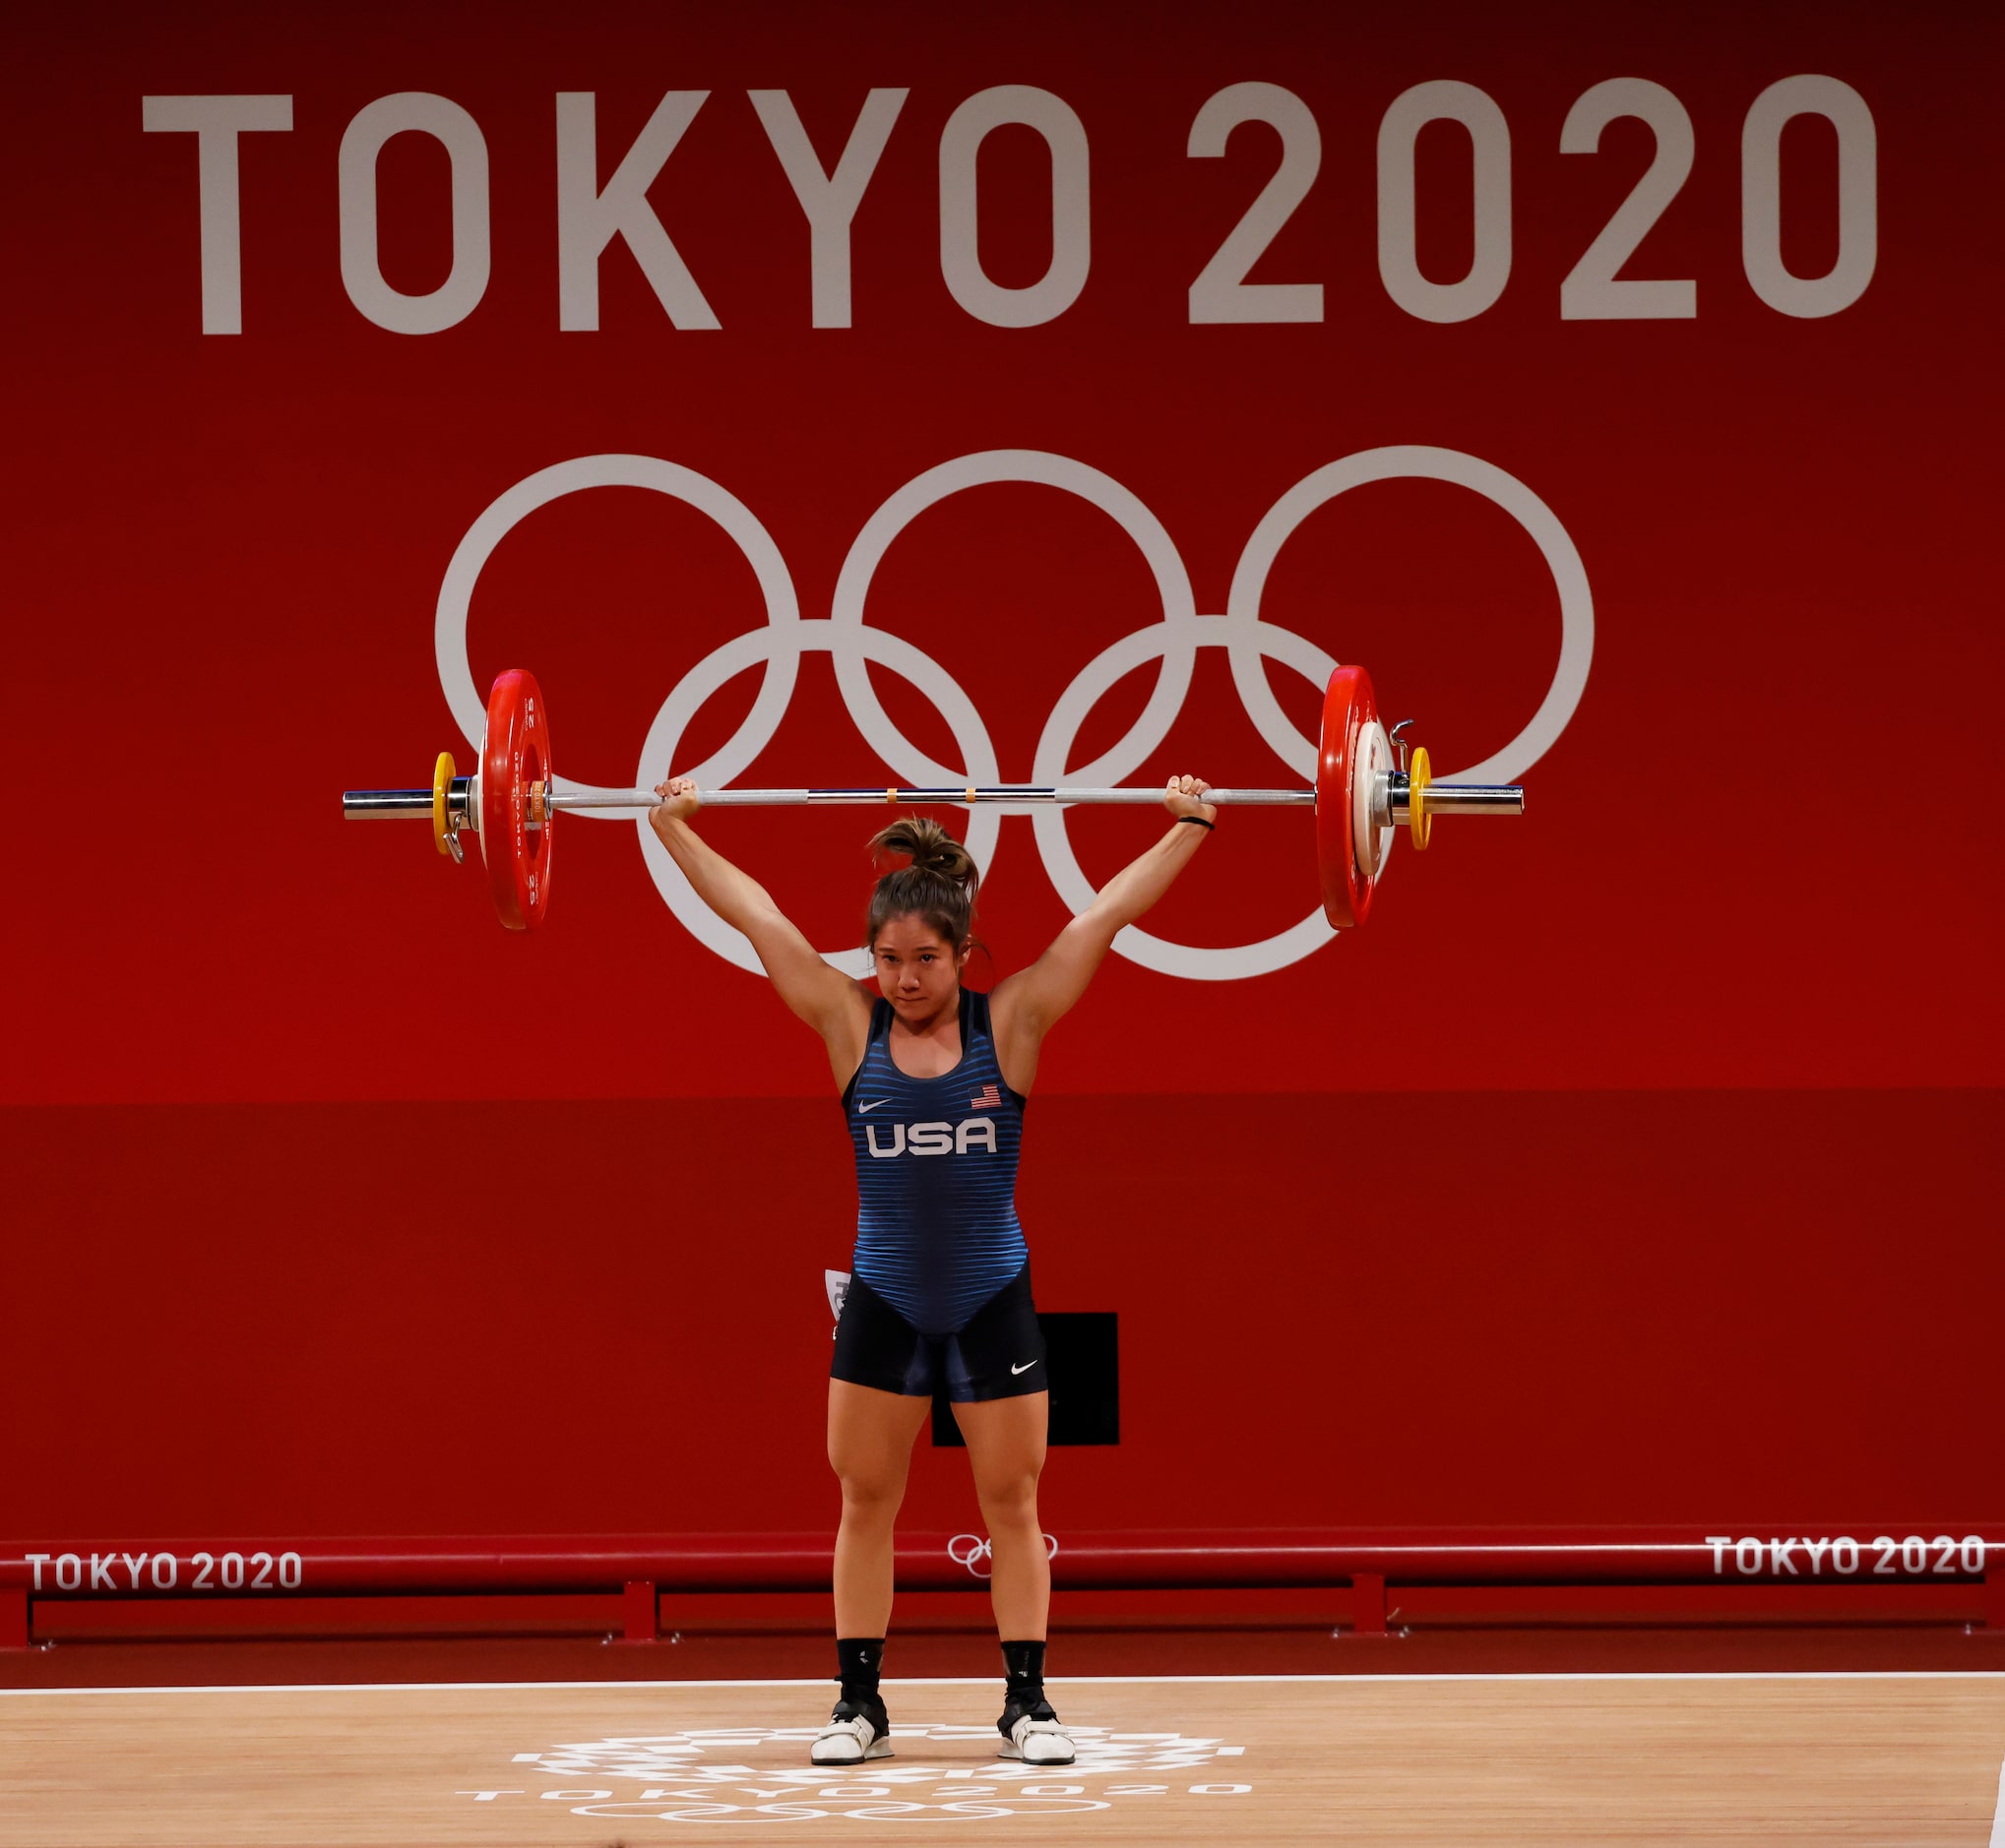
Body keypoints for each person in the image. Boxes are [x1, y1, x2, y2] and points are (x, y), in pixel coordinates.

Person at [648, 774, 1218, 1767]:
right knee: (865, 1503)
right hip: (886, 1302)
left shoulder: (1018, 1025)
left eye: (925, 961)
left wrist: (1194, 826)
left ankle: (1028, 1706)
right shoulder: (844, 1024)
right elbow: (757, 917)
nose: (905, 980)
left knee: (1014, 1505)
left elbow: (1107, 915)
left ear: (964, 954)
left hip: (994, 1297)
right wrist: (672, 830)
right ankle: (858, 1705)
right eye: (888, 961)